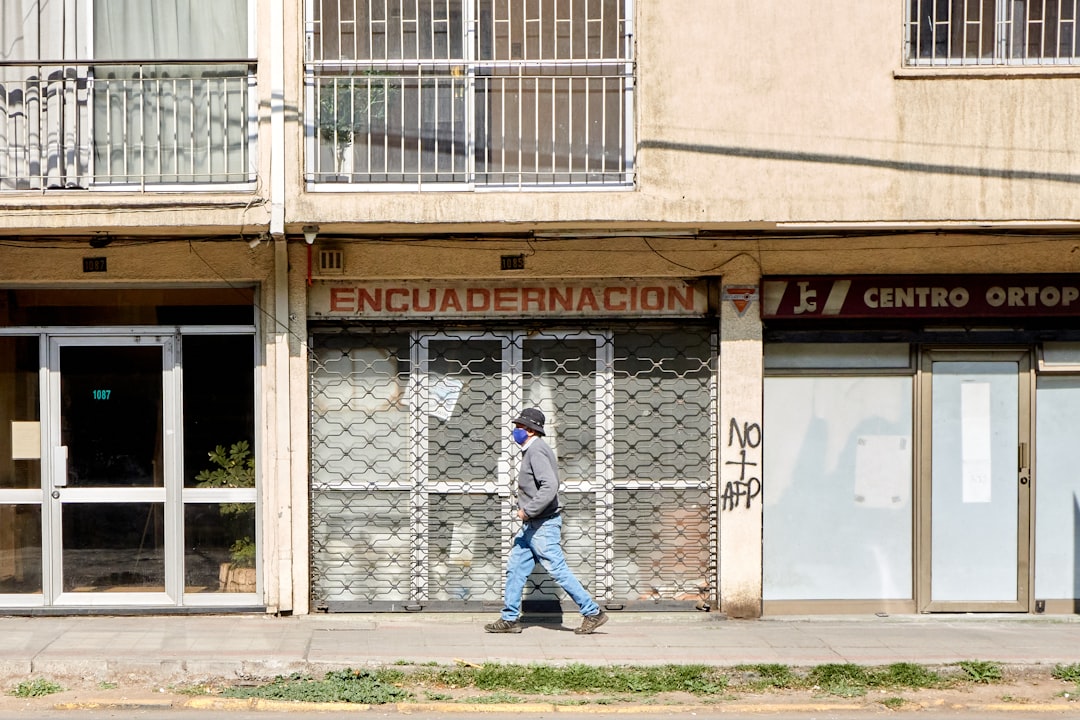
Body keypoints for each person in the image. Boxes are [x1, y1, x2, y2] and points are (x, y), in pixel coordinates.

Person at [484, 408, 609, 635]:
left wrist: (528, 511)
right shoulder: (532, 450)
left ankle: (592, 612)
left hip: (542, 524)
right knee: (515, 568)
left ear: (531, 431)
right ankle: (509, 619)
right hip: (532, 526)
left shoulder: (537, 451)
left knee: (558, 570)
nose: (516, 430)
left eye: (520, 427)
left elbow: (550, 486)